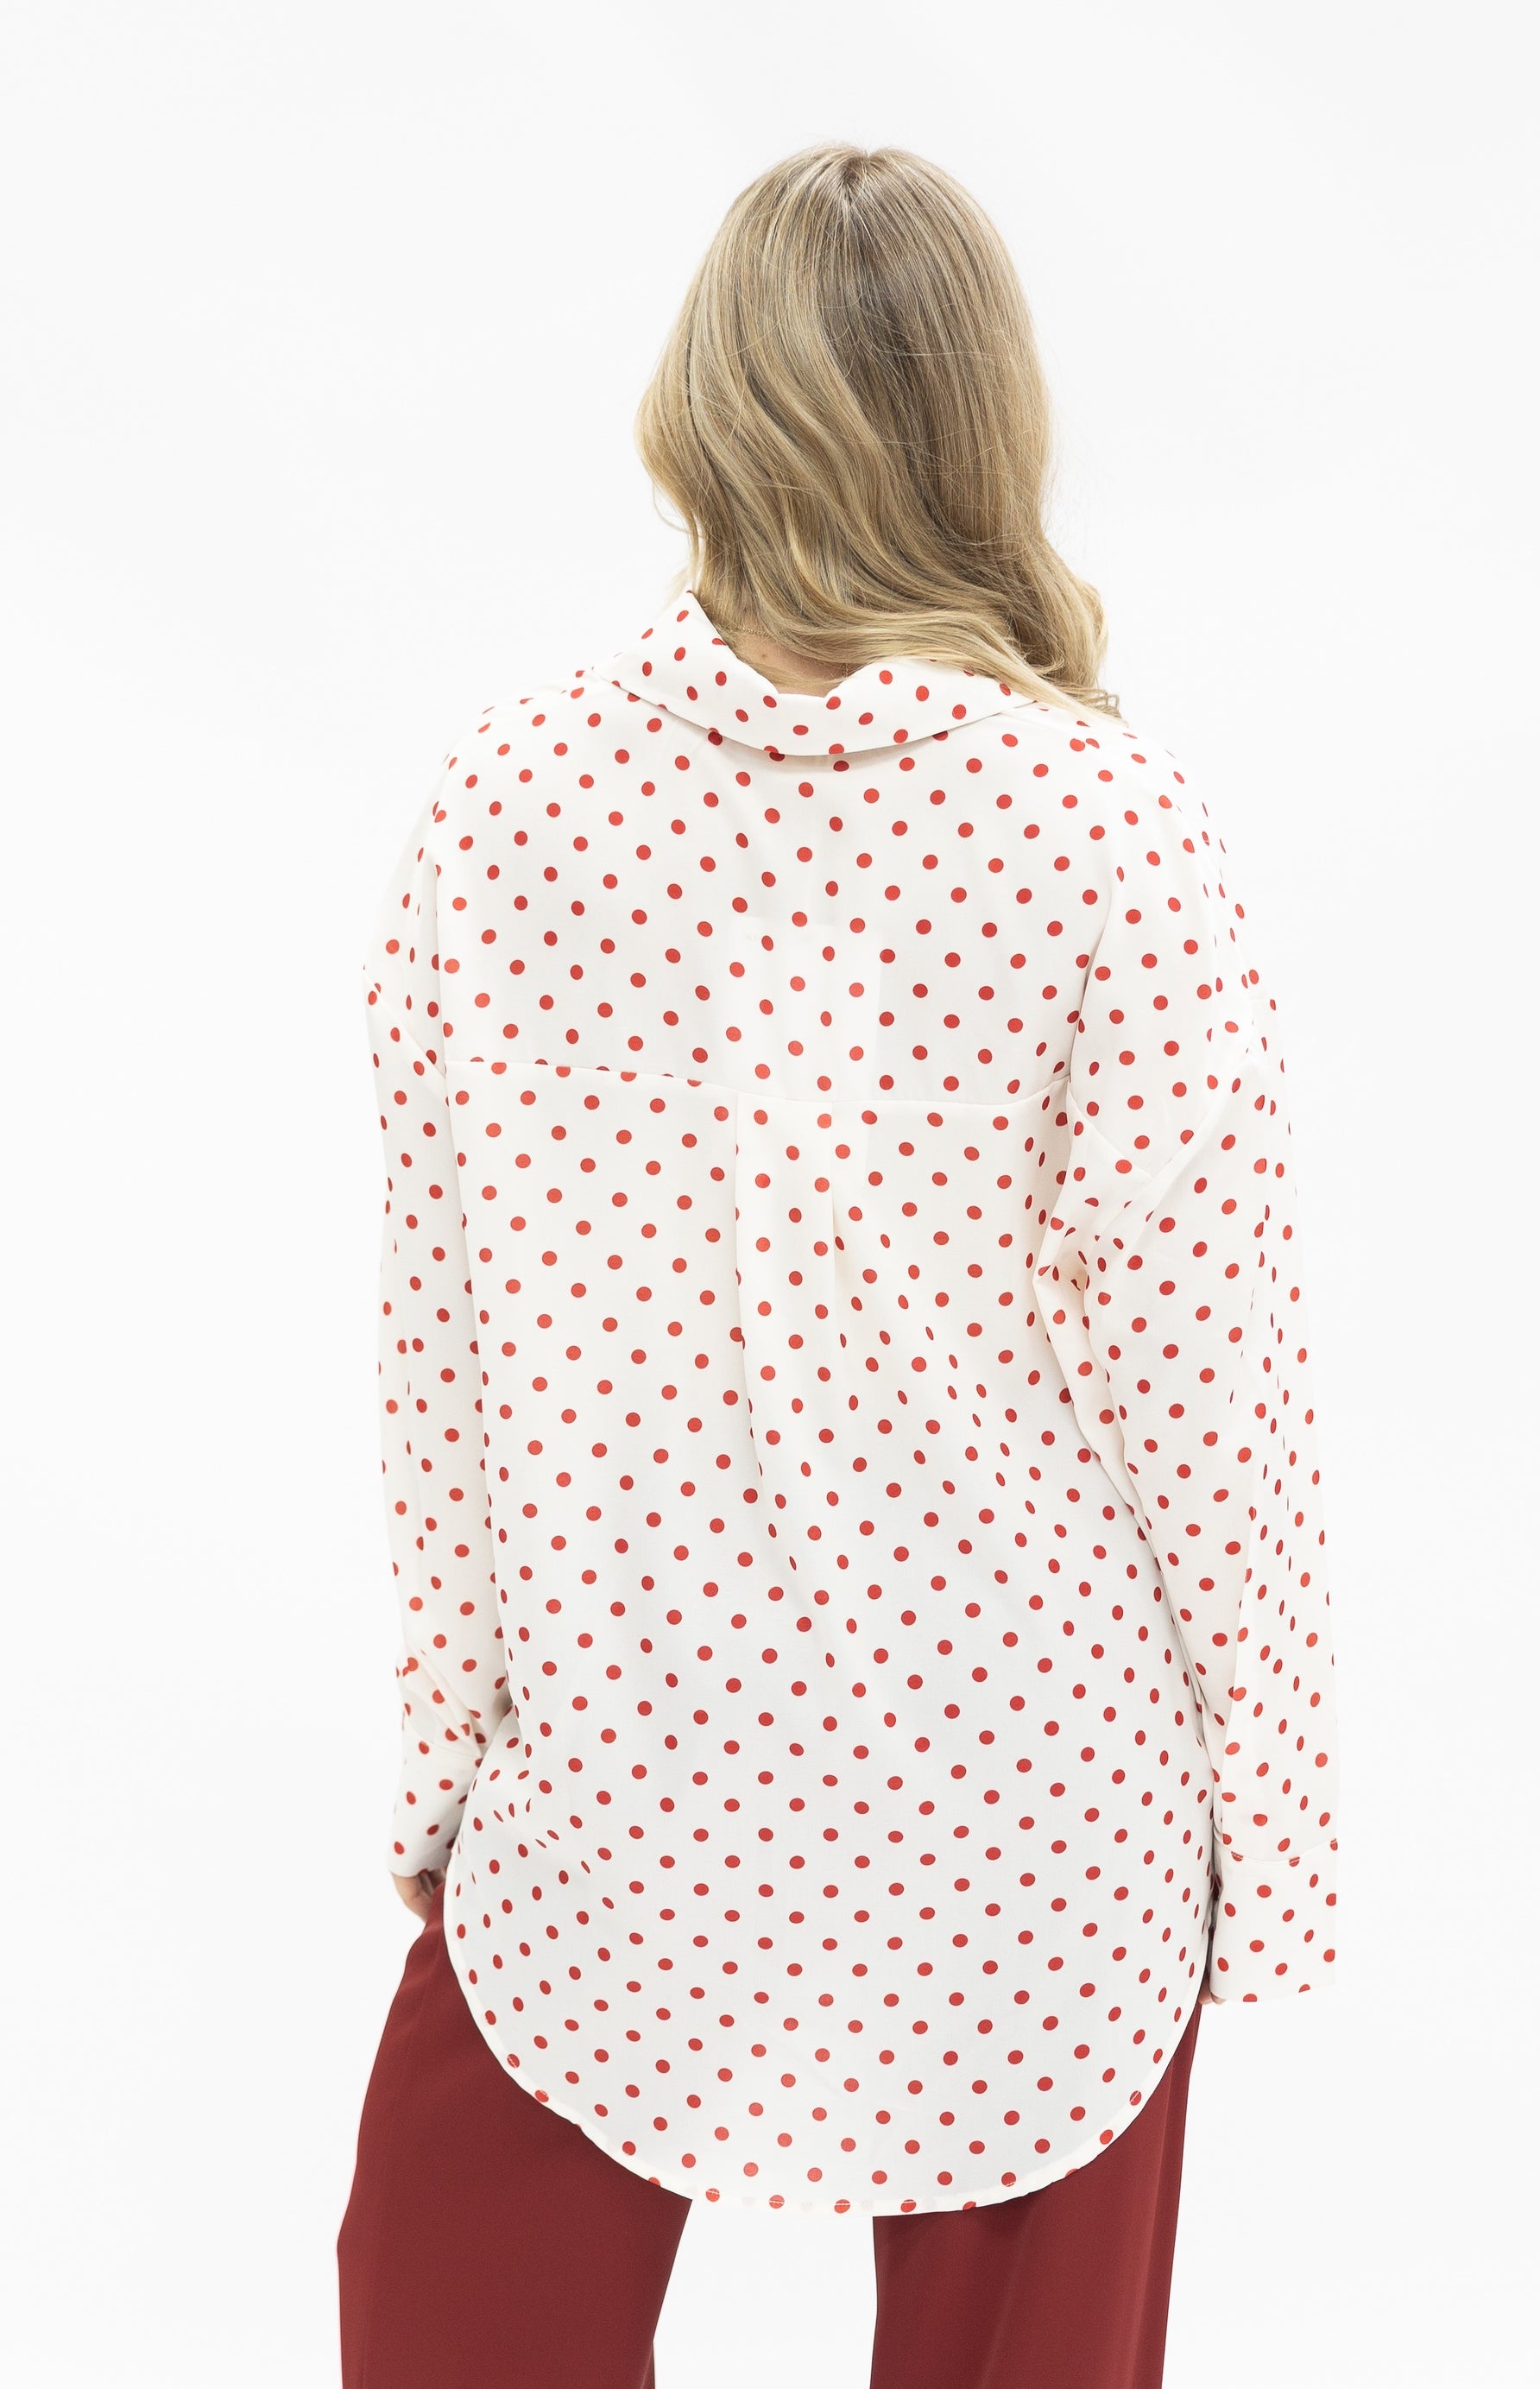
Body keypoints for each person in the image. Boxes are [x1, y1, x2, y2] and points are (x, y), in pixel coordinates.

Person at [336, 139, 1340, 2389]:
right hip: (1034, 1791)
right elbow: (1216, 1390)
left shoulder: (507, 800)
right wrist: (1269, 1840)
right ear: (986, 424)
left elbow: (440, 1348)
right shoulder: (1108, 827)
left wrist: (442, 1761)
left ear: (700, 402)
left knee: (454, 2324)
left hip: (623, 1759)